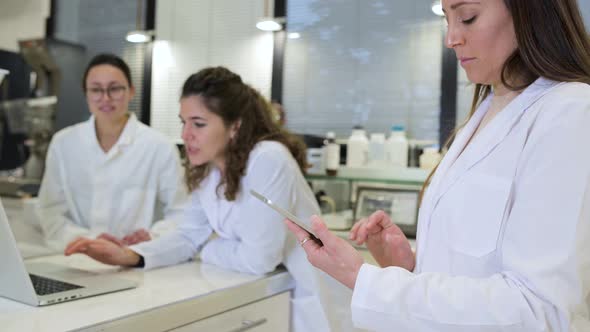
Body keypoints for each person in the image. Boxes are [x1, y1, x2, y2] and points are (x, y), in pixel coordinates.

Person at [286, 0, 590, 330]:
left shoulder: (570, 111)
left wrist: (363, 279)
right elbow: (475, 270)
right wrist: (409, 267)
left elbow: (539, 309)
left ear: (529, 11)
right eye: (448, 20)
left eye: (468, 17)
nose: (451, 39)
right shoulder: (489, 108)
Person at [64, 66, 349, 332]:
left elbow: (259, 259)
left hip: (310, 299)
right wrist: (132, 256)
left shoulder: (268, 158)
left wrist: (206, 247)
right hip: (270, 291)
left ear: (235, 126)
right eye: (183, 122)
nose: (185, 135)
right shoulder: (210, 168)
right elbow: (189, 235)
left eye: (198, 124)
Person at [38, 53, 187, 251]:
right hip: (78, 257)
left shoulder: (158, 146)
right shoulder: (64, 143)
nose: (105, 98)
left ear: (131, 91)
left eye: (115, 88)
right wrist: (88, 241)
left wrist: (152, 238)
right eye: (96, 90)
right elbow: (50, 212)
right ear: (86, 94)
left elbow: (181, 212)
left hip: (137, 259)